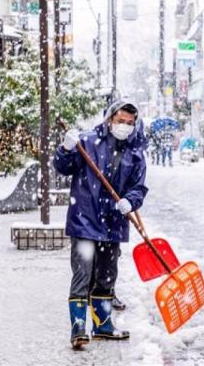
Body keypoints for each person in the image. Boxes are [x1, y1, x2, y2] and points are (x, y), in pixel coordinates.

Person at [53, 100, 148, 349]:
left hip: (113, 224)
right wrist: (65, 149)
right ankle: (78, 329)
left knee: (107, 276)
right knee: (83, 274)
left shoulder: (135, 152)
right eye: (120, 121)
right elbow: (62, 167)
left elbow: (138, 187)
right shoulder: (87, 141)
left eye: (129, 123)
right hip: (85, 219)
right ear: (109, 119)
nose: (124, 126)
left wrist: (130, 200)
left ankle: (103, 324)